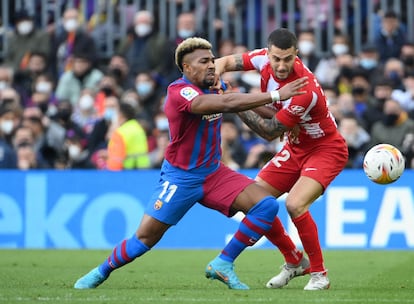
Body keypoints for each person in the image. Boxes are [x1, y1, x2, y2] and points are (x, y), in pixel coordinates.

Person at [74, 37, 307, 290]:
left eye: (212, 60)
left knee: (266, 206)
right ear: (187, 68)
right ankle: (101, 271)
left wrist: (286, 117)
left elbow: (237, 100)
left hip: (213, 173)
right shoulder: (179, 92)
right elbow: (226, 103)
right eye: (204, 61)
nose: (211, 65)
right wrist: (274, 94)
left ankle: (223, 263)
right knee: (144, 238)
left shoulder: (217, 87)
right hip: (181, 177)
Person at [214, 28, 349, 290]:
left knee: (296, 204)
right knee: (255, 202)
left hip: (325, 149)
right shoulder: (262, 59)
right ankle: (293, 260)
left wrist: (232, 100)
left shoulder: (304, 90)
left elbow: (268, 130)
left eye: (288, 59)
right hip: (296, 147)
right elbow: (225, 62)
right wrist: (216, 80)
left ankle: (319, 274)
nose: (281, 65)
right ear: (268, 53)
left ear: (296, 55)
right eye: (276, 58)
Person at [106, 102, 151, 170]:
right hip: (143, 170)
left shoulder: (120, 132)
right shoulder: (139, 128)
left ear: (121, 115)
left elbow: (117, 159)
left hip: (126, 172)